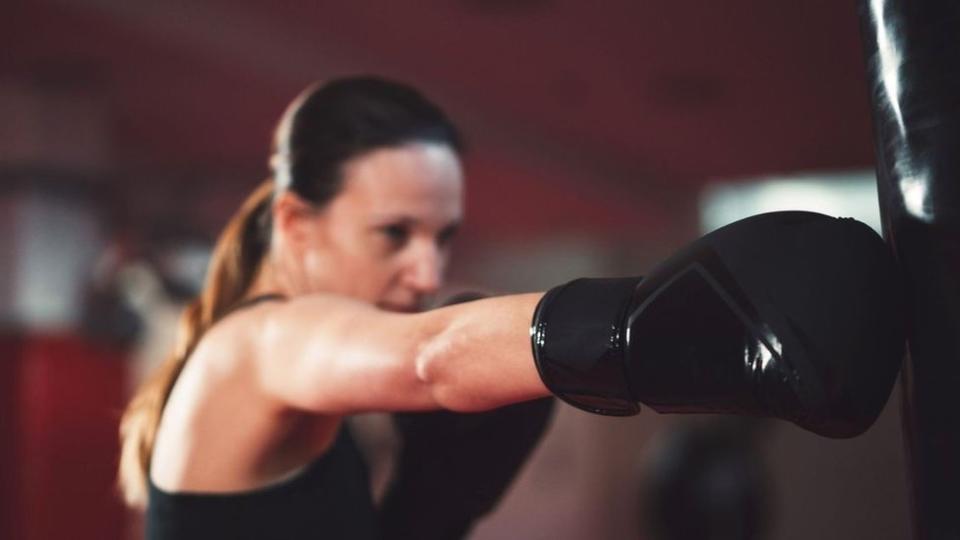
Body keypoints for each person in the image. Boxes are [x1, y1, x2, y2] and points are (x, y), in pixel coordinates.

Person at [119, 75, 906, 539]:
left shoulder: (293, 403)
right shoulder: (260, 341)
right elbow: (431, 360)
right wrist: (660, 326)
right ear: (296, 223)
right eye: (393, 233)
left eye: (442, 235)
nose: (424, 270)